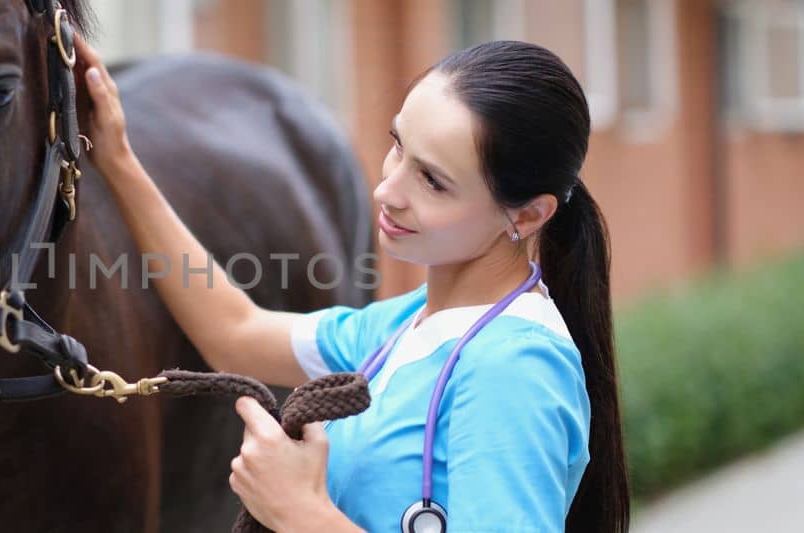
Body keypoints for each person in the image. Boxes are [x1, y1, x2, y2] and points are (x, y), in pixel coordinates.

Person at [73, 37, 630, 533]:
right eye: (397, 146)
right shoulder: (401, 328)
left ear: (528, 216)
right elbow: (235, 332)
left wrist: (299, 511)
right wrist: (118, 157)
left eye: (432, 180)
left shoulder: (513, 370)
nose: (389, 190)